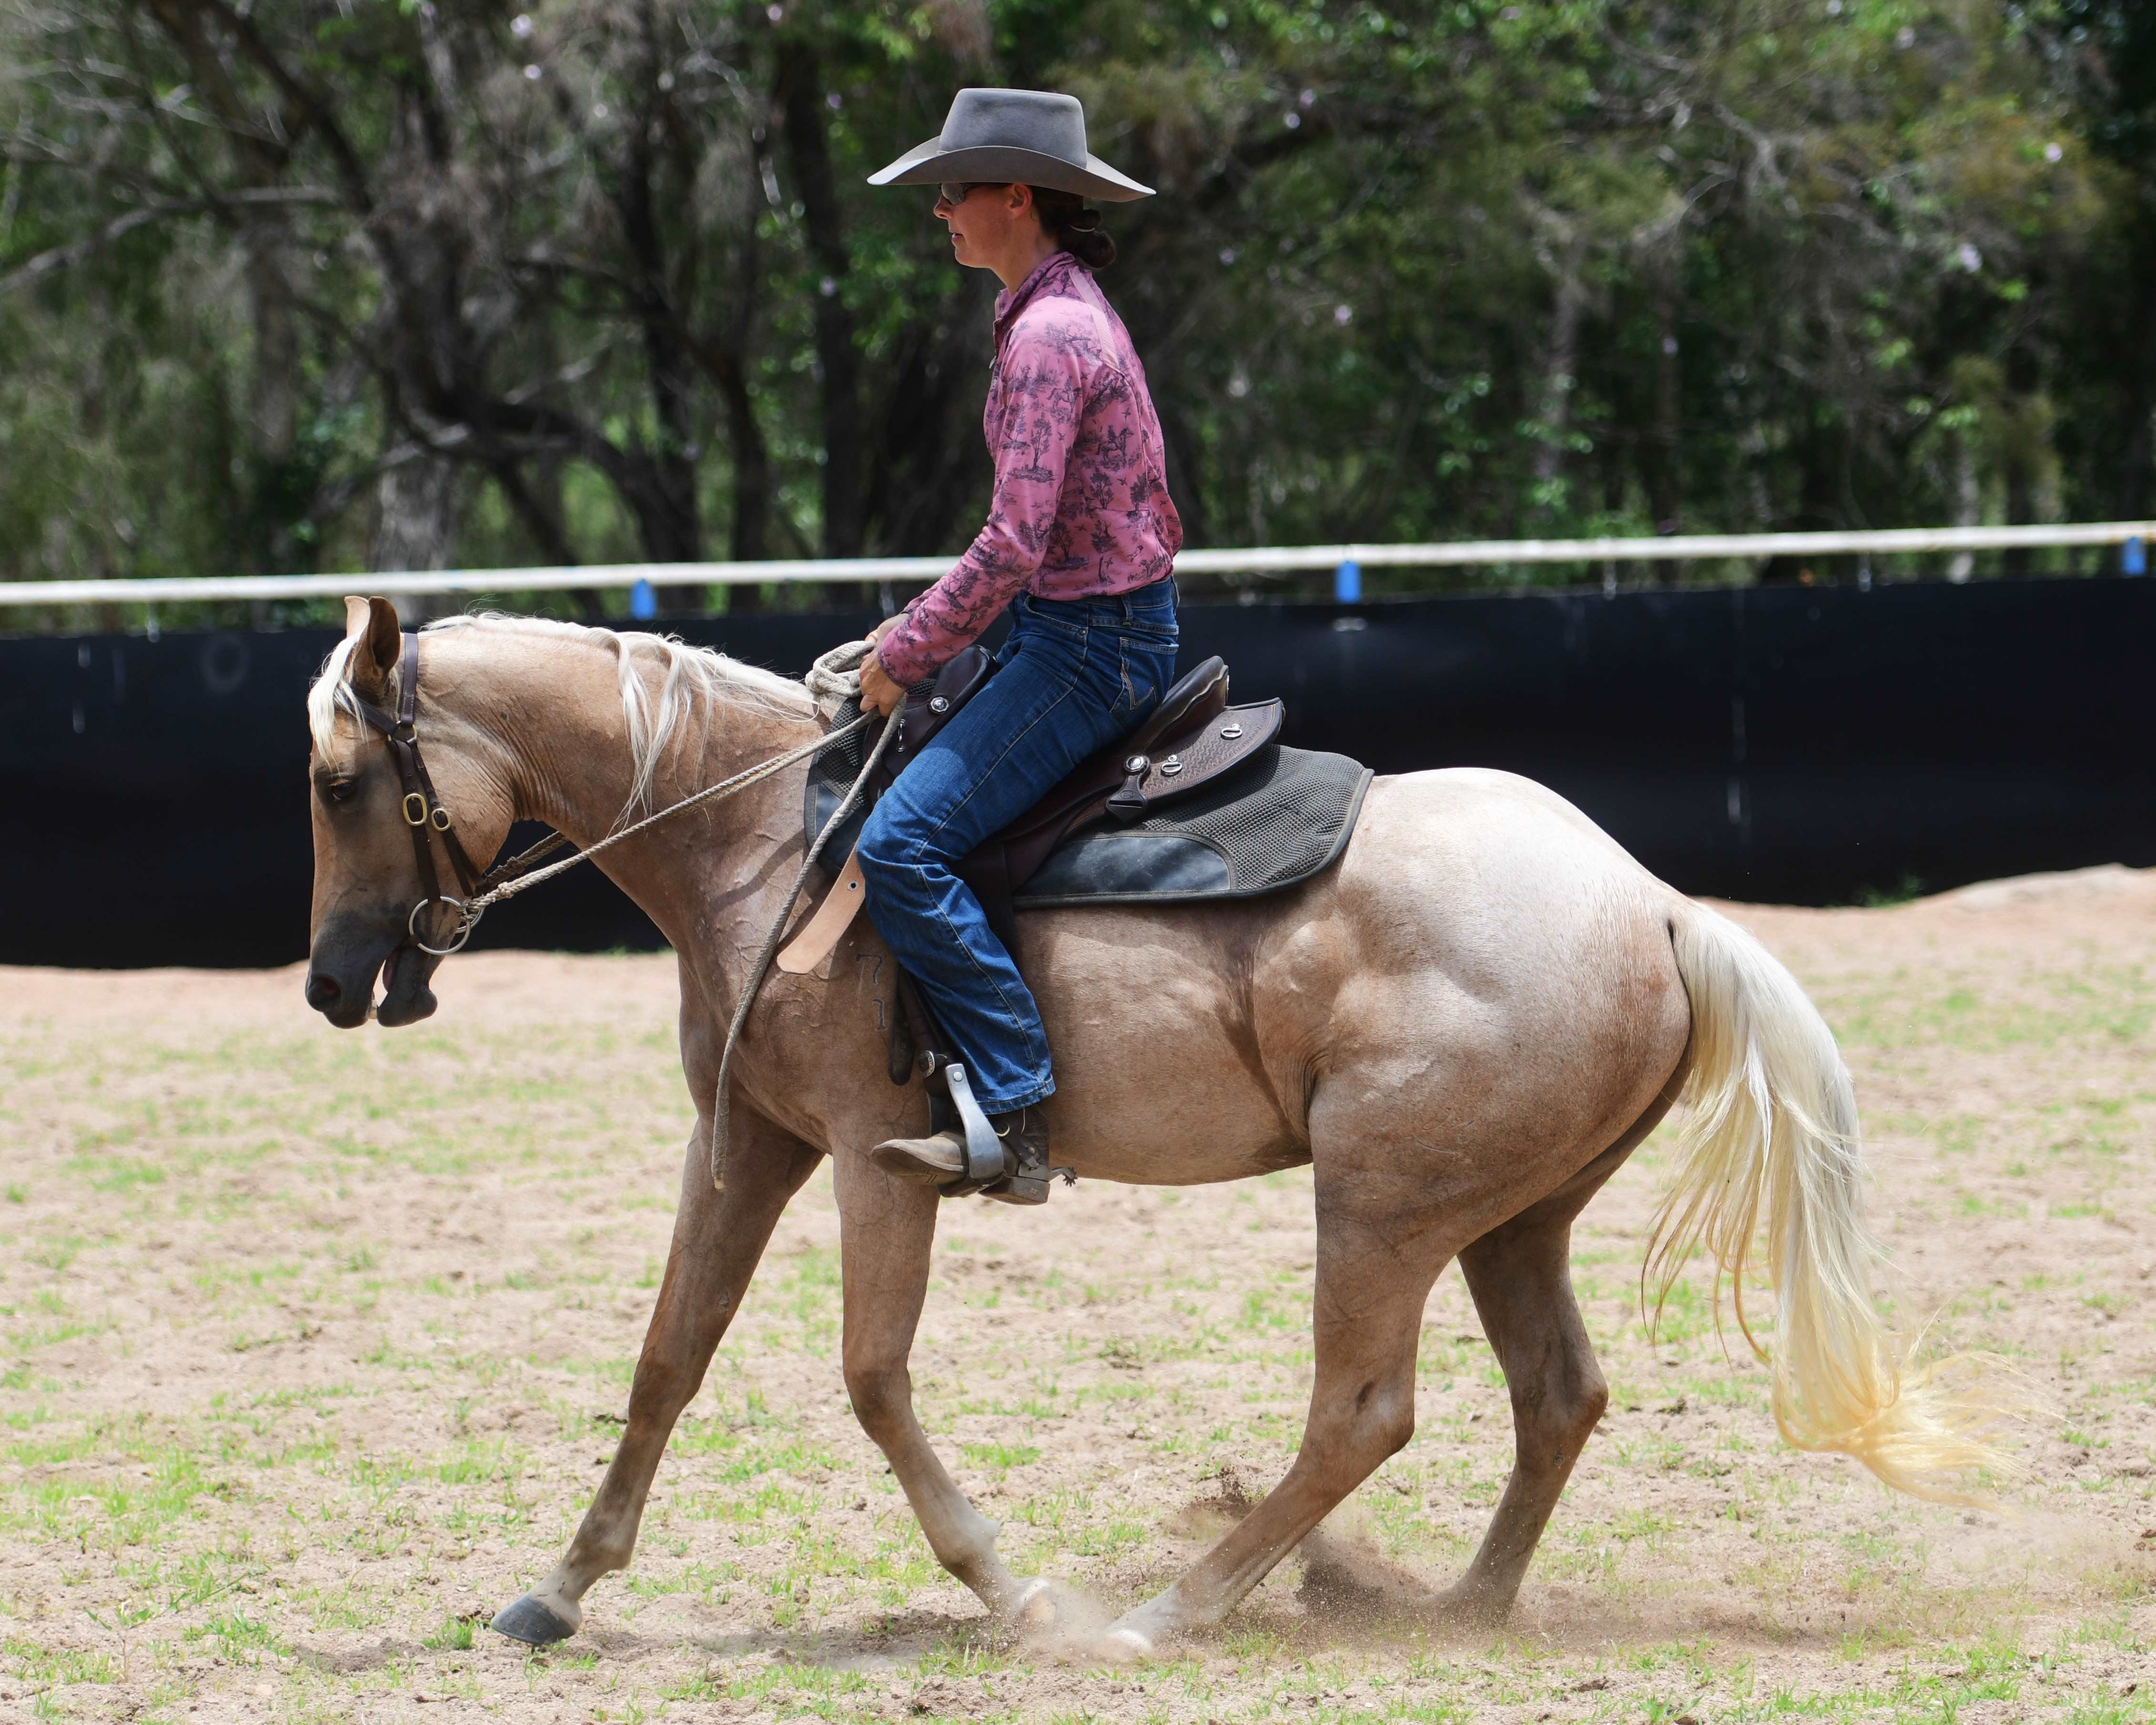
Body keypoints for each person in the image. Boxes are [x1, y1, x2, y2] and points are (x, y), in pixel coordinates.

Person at [851, 88, 1183, 1191]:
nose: (940, 209)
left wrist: (903, 653)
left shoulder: (1045, 334)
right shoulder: (1060, 308)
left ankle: (1016, 1100)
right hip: (1086, 626)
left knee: (899, 846)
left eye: (954, 190)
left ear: (1016, 196)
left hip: (1088, 648)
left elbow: (1009, 544)